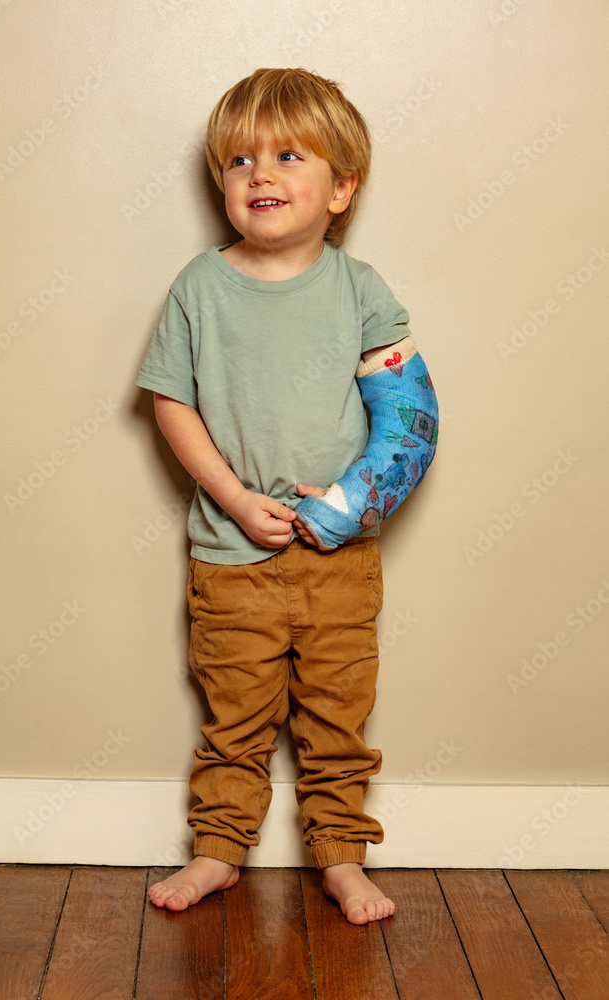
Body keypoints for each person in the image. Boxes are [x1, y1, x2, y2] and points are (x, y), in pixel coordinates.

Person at [136, 67, 438, 924]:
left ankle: (341, 858)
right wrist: (232, 498)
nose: (259, 174)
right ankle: (217, 853)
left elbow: (408, 415)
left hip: (337, 555)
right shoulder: (200, 286)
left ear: (340, 187)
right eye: (237, 161)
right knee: (233, 722)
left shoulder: (359, 287)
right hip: (232, 558)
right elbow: (170, 402)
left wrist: (348, 503)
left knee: (336, 722)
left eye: (288, 156)